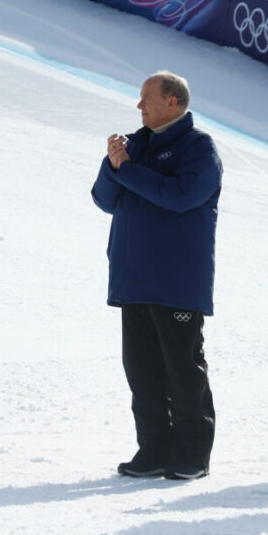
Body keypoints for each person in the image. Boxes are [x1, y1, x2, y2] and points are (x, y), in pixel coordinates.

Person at [92, 71, 222, 481]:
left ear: (173, 102)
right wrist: (113, 166)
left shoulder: (199, 147)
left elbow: (181, 197)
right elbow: (103, 198)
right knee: (142, 370)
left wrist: (126, 169)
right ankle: (154, 449)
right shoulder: (134, 145)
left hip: (177, 279)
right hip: (133, 277)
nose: (139, 105)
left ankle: (192, 455)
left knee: (182, 370)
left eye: (146, 98)